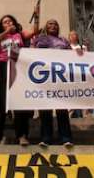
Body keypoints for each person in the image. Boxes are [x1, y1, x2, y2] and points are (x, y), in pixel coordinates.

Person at [0, 13, 38, 146]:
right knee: (0, 103)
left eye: (10, 21)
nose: (8, 23)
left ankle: (21, 135)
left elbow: (35, 31)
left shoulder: (20, 35)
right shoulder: (1, 37)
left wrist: (36, 17)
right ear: (1, 26)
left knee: (19, 102)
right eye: (5, 22)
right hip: (3, 67)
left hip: (18, 67)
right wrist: (6, 32)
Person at [33, 19, 74, 148]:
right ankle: (46, 138)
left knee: (62, 109)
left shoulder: (63, 41)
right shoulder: (40, 39)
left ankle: (66, 137)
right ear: (46, 26)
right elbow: (34, 52)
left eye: (56, 24)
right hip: (45, 77)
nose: (53, 26)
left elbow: (70, 56)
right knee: (45, 109)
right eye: (50, 23)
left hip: (60, 77)